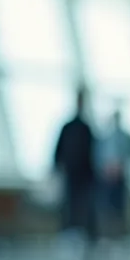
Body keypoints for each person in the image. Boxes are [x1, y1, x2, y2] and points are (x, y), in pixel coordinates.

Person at [54, 90, 97, 242]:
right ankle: (68, 232)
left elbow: (93, 152)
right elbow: (58, 149)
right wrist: (56, 167)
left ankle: (83, 233)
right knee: (68, 204)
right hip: (70, 172)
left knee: (83, 204)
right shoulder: (68, 127)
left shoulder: (87, 128)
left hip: (84, 174)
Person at [96, 109, 130, 237]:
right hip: (107, 178)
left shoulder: (126, 137)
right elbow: (99, 156)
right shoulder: (105, 137)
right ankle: (106, 235)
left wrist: (120, 168)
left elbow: (129, 156)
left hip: (120, 177)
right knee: (106, 208)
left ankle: (118, 235)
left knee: (119, 209)